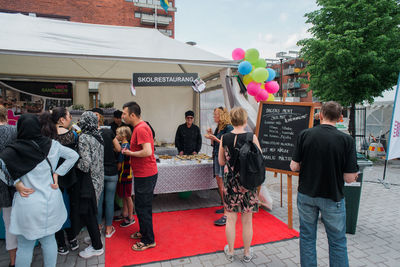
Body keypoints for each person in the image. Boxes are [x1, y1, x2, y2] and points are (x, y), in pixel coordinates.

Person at [0, 114, 79, 267]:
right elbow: (73, 156)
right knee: (49, 240)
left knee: (24, 246)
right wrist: (57, 173)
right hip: (50, 199)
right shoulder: (53, 145)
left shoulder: (14, 149)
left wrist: (15, 183)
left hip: (27, 203)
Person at [290, 101, 359, 267]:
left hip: (306, 194)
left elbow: (294, 166)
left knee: (307, 238)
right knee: (337, 242)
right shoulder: (346, 140)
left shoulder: (305, 135)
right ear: (340, 118)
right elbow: (349, 178)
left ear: (320, 115)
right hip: (332, 196)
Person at [218, 107, 260, 263]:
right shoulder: (252, 137)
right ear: (244, 120)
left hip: (231, 183)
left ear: (231, 120)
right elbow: (260, 159)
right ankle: (247, 253)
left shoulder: (225, 138)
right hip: (248, 183)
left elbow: (221, 162)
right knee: (247, 220)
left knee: (230, 218)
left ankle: (230, 251)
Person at [39, 108, 80, 255]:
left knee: (55, 210)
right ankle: (72, 238)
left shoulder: (46, 136)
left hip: (51, 178)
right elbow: (75, 156)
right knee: (70, 208)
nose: (70, 119)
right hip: (69, 176)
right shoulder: (72, 135)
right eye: (69, 116)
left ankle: (61, 243)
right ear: (62, 119)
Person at [121, 101, 158, 251]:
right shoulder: (139, 127)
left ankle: (149, 240)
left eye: (124, 113)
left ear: (132, 115)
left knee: (143, 207)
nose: (122, 116)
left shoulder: (141, 128)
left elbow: (147, 151)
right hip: (144, 173)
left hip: (146, 174)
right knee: (141, 206)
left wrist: (130, 153)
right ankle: (144, 232)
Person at [76, 111, 105, 258]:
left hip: (89, 182)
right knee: (93, 211)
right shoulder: (98, 136)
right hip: (99, 179)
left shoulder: (84, 137)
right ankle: (95, 238)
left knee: (89, 214)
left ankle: (97, 246)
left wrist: (74, 164)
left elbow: (85, 164)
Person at [91, 108, 122, 238]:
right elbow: (119, 148)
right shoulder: (109, 131)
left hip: (98, 172)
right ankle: (109, 229)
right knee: (109, 201)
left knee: (99, 201)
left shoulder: (90, 134)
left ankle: (98, 227)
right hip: (111, 171)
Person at [205, 107, 233, 226]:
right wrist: (212, 136)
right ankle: (224, 205)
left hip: (223, 158)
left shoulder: (228, 127)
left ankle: (227, 212)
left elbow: (228, 144)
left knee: (224, 184)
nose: (214, 116)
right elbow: (214, 144)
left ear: (221, 115)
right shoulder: (219, 127)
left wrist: (215, 138)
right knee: (219, 181)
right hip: (216, 155)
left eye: (215, 114)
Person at [0, 105, 17, 267]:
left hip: (2, 183)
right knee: (12, 221)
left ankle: (13, 260)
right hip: (16, 182)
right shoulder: (14, 131)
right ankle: (16, 259)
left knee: (8, 222)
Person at [116, 126, 135, 228]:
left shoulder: (124, 147)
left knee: (127, 196)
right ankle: (125, 214)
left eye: (117, 134)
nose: (116, 136)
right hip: (126, 174)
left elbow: (120, 164)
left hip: (125, 175)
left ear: (123, 136)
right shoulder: (126, 145)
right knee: (124, 195)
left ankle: (131, 217)